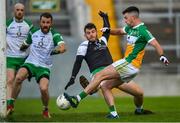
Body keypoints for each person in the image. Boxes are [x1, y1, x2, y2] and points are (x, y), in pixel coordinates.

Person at [64, 6, 169, 118]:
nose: (124, 20)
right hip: (119, 69)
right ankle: (130, 111)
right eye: (88, 33)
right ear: (85, 35)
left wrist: (162, 55)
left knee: (100, 77)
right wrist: (108, 29)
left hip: (126, 65)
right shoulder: (129, 28)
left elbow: (156, 44)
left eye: (126, 18)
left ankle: (77, 98)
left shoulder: (142, 31)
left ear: (133, 18)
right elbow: (118, 31)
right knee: (136, 93)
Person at [7, 12, 66, 118]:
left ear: (51, 23)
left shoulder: (55, 34)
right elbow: (25, 44)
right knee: (19, 77)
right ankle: (10, 104)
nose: (45, 24)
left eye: (48, 22)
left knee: (43, 88)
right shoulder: (33, 32)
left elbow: (63, 48)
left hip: (44, 66)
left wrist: (54, 51)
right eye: (43, 22)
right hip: (31, 63)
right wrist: (20, 47)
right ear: (40, 22)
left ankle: (45, 109)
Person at [6, 3, 33, 113]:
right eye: (17, 10)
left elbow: (34, 38)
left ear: (24, 11)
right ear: (14, 11)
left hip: (23, 58)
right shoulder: (7, 24)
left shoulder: (29, 25)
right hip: (10, 57)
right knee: (10, 80)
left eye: (22, 10)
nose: (20, 12)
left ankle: (12, 103)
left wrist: (27, 45)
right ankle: (8, 105)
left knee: (19, 80)